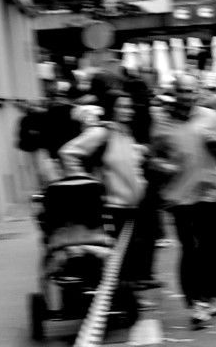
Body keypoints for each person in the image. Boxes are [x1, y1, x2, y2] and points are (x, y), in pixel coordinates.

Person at [151, 76, 216, 329]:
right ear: (175, 93)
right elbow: (152, 157)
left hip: (209, 192)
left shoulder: (210, 117)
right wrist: (164, 166)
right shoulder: (162, 122)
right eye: (182, 91)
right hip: (180, 197)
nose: (186, 96)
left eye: (190, 91)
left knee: (215, 249)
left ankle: (213, 294)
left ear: (197, 93)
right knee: (191, 250)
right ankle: (196, 303)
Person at [58, 91, 150, 291]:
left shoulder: (126, 134)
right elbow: (68, 153)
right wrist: (83, 183)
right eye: (121, 106)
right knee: (113, 263)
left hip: (131, 208)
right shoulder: (102, 133)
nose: (127, 111)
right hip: (112, 209)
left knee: (126, 262)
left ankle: (124, 299)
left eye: (129, 106)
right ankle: (116, 300)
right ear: (111, 109)